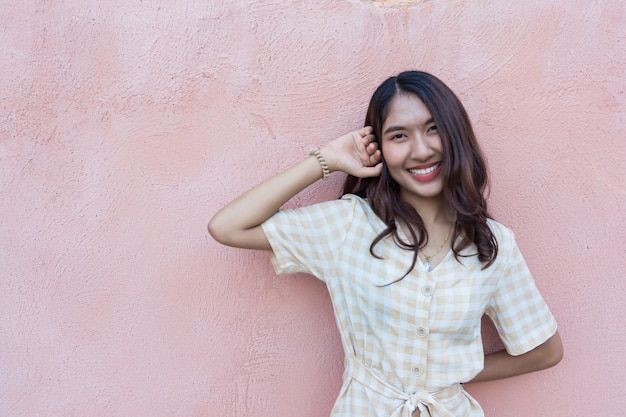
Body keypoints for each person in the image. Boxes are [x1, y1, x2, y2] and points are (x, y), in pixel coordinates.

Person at [208, 70, 563, 417]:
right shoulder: (348, 226)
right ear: (380, 148)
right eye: (398, 136)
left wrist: (450, 374)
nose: (421, 150)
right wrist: (326, 161)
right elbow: (228, 227)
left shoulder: (491, 244)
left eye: (434, 129)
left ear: (456, 135)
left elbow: (544, 351)